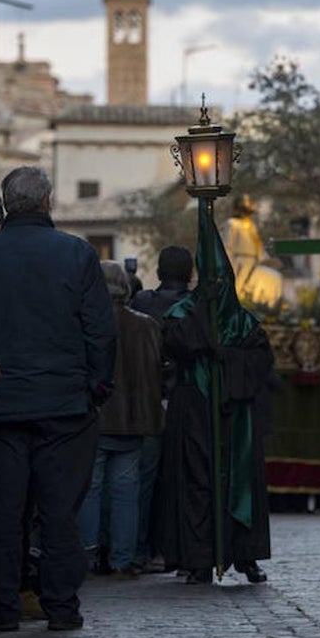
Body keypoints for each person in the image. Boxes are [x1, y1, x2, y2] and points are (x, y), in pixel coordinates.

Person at [0, 166, 116, 632]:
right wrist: (96, 386)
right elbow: (99, 329)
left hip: (1, 403)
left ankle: (4, 608)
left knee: (4, 513)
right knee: (59, 515)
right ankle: (60, 606)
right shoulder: (76, 253)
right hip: (64, 404)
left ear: (8, 203)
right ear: (47, 202)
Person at [157, 213, 278, 586]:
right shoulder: (180, 314)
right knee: (197, 486)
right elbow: (178, 347)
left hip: (236, 416)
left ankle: (245, 554)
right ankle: (198, 559)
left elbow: (262, 364)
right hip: (194, 412)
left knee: (238, 484)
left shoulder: (245, 323)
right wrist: (200, 316)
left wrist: (229, 359)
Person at [77, 261, 162, 579]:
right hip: (135, 420)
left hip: (96, 418)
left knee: (92, 489)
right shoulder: (147, 325)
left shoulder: (86, 322)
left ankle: (88, 555)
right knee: (127, 491)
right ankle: (122, 560)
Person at [130, 245, 193, 571]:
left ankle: (140, 549)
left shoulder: (141, 303)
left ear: (158, 272)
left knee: (144, 479)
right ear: (190, 274)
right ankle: (179, 550)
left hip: (146, 400)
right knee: (183, 478)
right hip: (185, 400)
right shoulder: (195, 306)